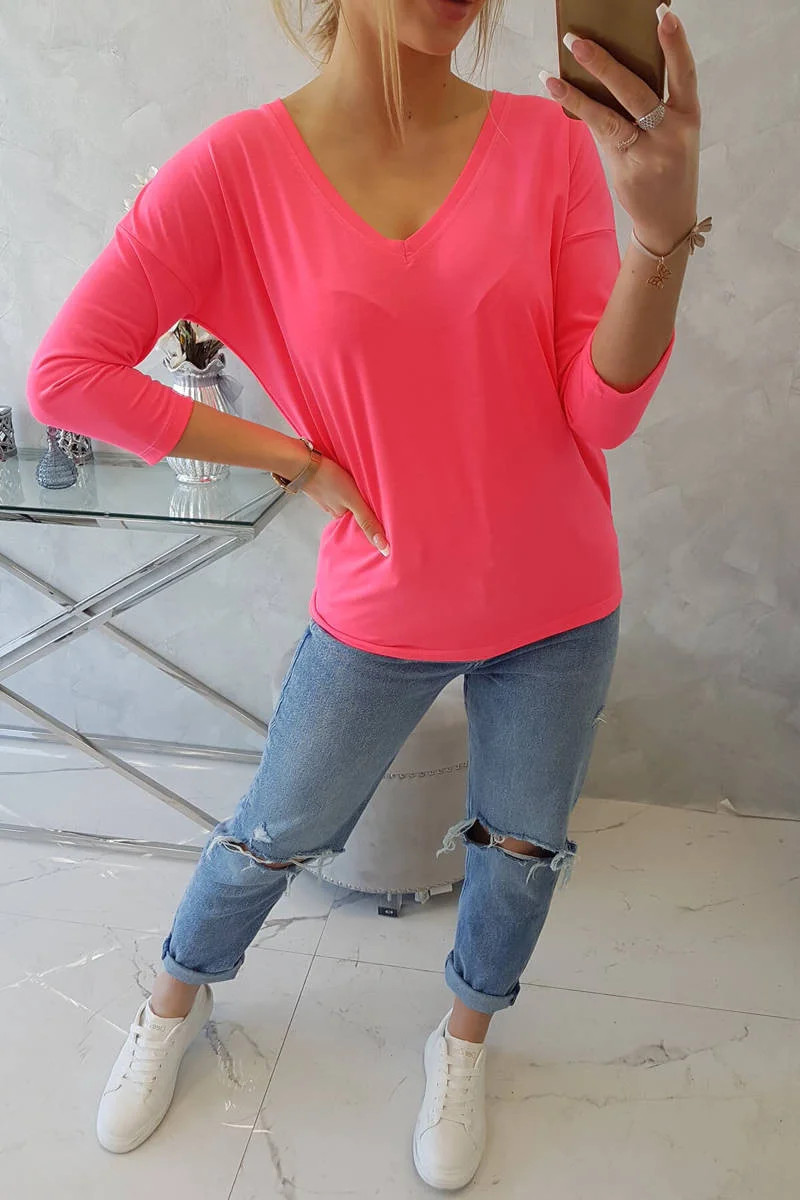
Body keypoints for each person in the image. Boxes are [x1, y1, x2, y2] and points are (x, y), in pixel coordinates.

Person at [27, 0, 707, 1189]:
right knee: (277, 832)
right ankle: (176, 997)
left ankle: (465, 1038)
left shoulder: (545, 146)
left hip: (558, 598)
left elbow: (598, 413)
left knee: (522, 849)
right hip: (381, 600)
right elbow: (67, 376)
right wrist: (292, 459)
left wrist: (656, 241)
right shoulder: (235, 169)